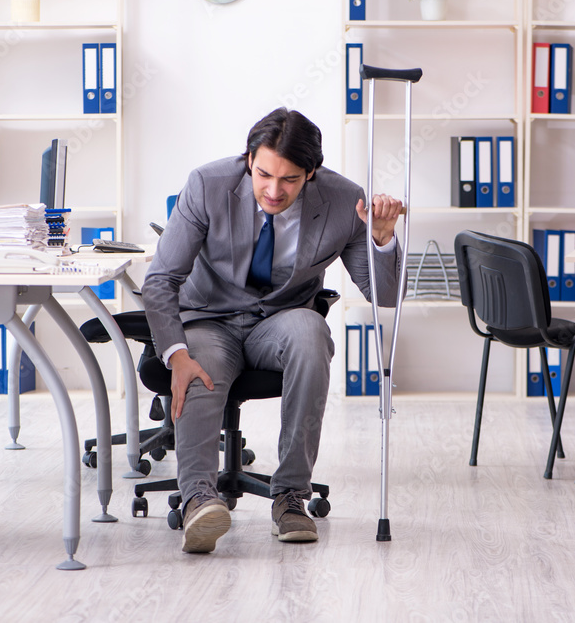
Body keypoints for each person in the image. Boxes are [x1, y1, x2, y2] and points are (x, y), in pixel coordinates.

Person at [143, 107, 404, 553]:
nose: (273, 190)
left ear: (311, 173)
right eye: (264, 174)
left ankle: (290, 497)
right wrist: (174, 353)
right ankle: (199, 502)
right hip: (210, 317)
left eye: (289, 180)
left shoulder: (344, 200)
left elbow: (385, 294)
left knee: (311, 333)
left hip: (280, 321)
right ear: (249, 160)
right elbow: (161, 279)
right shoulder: (208, 185)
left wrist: (381, 238)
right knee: (197, 364)